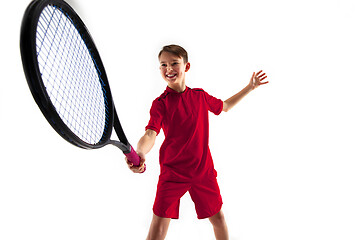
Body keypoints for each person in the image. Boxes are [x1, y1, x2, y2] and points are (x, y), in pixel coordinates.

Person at [126, 44, 268, 240]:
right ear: (159, 69)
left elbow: (224, 106)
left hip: (203, 171)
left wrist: (250, 87)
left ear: (187, 66)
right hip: (172, 173)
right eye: (163, 65)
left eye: (174, 63)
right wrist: (141, 152)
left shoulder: (200, 96)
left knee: (218, 218)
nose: (169, 69)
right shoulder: (160, 104)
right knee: (158, 227)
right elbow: (151, 133)